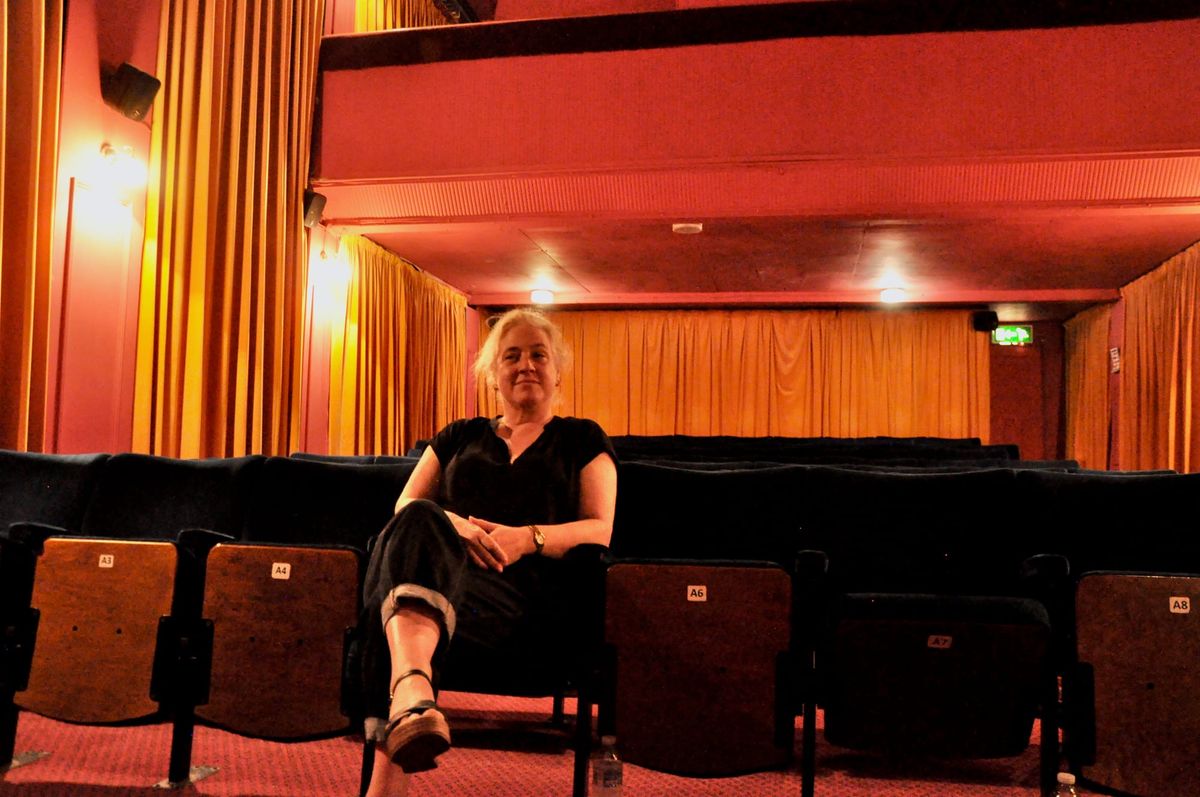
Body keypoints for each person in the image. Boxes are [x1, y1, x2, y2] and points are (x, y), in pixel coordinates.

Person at [360, 308, 618, 797]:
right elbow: (406, 504)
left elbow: (599, 529)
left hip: (525, 598)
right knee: (415, 528)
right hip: (447, 584)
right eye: (512, 356)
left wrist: (528, 537)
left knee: (394, 602)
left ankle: (388, 771)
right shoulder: (458, 435)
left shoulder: (582, 439)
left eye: (538, 355)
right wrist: (453, 526)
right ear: (492, 373)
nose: (526, 365)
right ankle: (414, 690)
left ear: (558, 370)